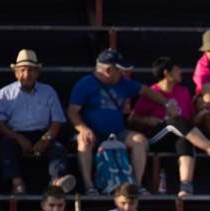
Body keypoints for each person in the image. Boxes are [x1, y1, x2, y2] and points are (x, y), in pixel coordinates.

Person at [68, 49, 178, 192]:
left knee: (139, 140)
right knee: (83, 141)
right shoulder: (85, 84)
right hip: (93, 132)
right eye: (119, 70)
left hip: (118, 132)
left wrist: (167, 103)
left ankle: (136, 185)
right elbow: (72, 112)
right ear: (108, 70)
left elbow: (145, 90)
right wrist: (83, 128)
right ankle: (89, 186)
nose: (123, 73)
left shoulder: (123, 83)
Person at [128, 57, 210, 196]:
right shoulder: (152, 93)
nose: (181, 72)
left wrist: (202, 113)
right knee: (175, 121)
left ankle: (186, 187)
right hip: (156, 138)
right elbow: (132, 120)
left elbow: (189, 125)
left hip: (176, 135)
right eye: (177, 70)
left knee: (185, 138)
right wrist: (149, 120)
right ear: (167, 73)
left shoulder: (183, 92)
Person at [0, 49, 74, 194]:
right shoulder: (4, 93)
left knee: (58, 150)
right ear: (16, 72)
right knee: (5, 146)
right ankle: (17, 183)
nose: (27, 74)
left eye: (31, 70)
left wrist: (45, 139)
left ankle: (56, 183)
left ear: (37, 73)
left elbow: (56, 122)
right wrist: (18, 138)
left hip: (42, 133)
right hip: (14, 135)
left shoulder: (48, 92)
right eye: (22, 70)